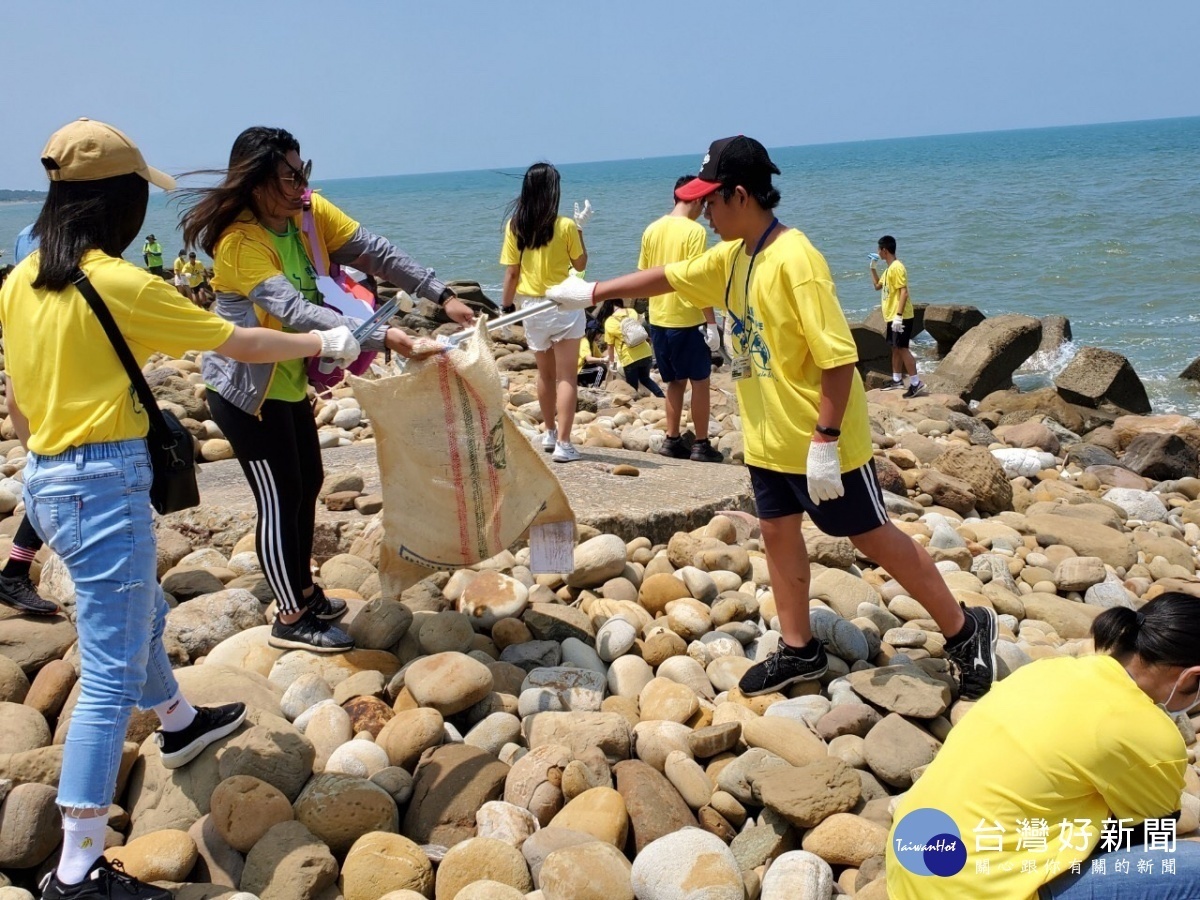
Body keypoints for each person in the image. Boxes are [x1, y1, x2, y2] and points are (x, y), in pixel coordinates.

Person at [1, 117, 362, 900]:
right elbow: (238, 342)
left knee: (140, 613)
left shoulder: (18, 281)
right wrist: (324, 343)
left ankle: (177, 719)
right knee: (105, 674)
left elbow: (22, 411)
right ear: (118, 204)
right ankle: (77, 866)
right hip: (102, 488)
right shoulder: (120, 284)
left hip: (46, 481)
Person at [544, 135, 997, 701]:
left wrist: (827, 439)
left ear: (741, 195)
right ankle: (798, 647)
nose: (705, 212)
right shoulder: (735, 257)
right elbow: (669, 277)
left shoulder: (795, 259)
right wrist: (591, 291)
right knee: (780, 538)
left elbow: (839, 359)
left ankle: (964, 630)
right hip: (767, 439)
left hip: (819, 438)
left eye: (712, 200)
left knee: (873, 537)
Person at [180, 126, 475, 654]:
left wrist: (442, 293)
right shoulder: (240, 242)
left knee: (308, 480)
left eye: (303, 170)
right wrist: (383, 334)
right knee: (279, 496)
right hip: (245, 393)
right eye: (289, 175)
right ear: (255, 183)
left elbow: (372, 251)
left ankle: (306, 590)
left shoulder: (307, 213)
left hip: (287, 383)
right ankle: (290, 616)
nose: (301, 183)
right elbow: (294, 310)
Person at [887, 593, 1200, 899]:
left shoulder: (1047, 670)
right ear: (1191, 676)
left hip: (911, 869)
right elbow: (1148, 836)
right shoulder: (1150, 732)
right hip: (975, 891)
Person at [499, 162, 591, 463]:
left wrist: (506, 307)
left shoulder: (516, 225)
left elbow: (512, 273)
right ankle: (564, 443)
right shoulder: (564, 225)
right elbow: (580, 265)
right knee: (567, 376)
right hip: (563, 303)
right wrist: (580, 230)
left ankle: (549, 432)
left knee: (545, 374)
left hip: (532, 306)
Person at [641, 175, 723, 462]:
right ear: (698, 199)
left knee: (675, 382)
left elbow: (644, 275)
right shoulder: (694, 231)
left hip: (659, 318)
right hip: (688, 320)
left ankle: (672, 439)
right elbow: (696, 280)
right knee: (700, 381)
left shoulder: (652, 229)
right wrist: (711, 322)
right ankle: (701, 444)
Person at [871, 235, 923, 397]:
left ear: (884, 250)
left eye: (879, 250)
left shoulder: (897, 268)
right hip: (892, 316)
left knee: (902, 348)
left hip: (901, 316)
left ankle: (916, 382)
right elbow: (877, 286)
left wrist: (899, 316)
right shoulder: (888, 269)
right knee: (895, 347)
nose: (877, 252)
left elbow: (904, 292)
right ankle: (897, 379)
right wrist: (872, 268)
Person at [602, 298, 664, 398]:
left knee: (632, 386)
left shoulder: (610, 322)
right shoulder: (632, 312)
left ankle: (633, 406)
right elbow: (642, 327)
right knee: (645, 379)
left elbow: (610, 346)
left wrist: (612, 364)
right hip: (646, 352)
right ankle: (662, 397)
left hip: (629, 358)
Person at [577, 317, 607, 388]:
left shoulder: (592, 343)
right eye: (599, 333)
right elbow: (589, 359)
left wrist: (609, 359)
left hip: (585, 369)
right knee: (601, 369)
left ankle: (589, 385)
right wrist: (603, 360)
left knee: (602, 367)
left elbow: (600, 357)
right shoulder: (584, 342)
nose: (600, 336)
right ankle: (595, 389)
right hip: (577, 371)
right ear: (594, 332)